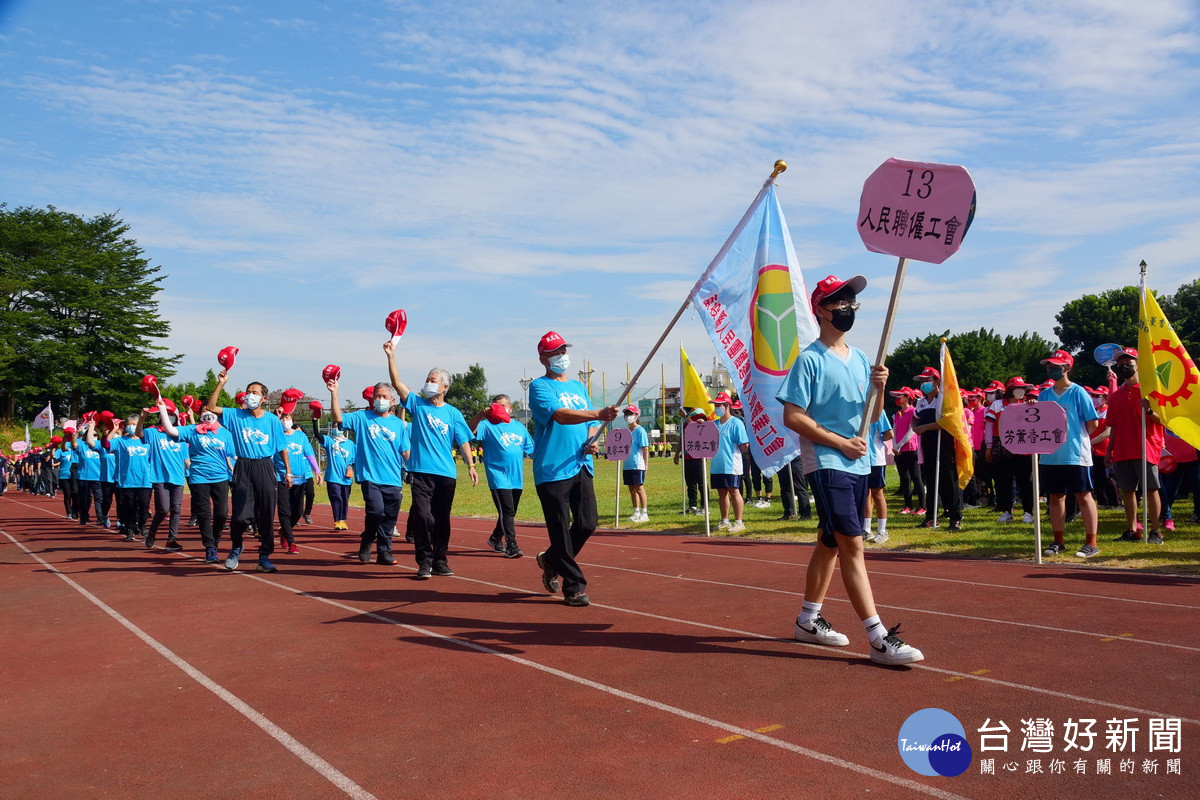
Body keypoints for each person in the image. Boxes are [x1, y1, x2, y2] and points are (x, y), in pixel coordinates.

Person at [778, 274, 922, 665]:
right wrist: (837, 442)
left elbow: (872, 416)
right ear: (820, 309)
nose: (847, 307)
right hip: (827, 462)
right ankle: (878, 639)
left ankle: (807, 620)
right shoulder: (809, 360)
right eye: (839, 301)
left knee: (829, 541)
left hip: (858, 461)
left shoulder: (859, 358)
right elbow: (793, 415)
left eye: (850, 301)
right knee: (852, 546)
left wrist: (879, 387)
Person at [528, 331, 619, 606]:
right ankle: (574, 586)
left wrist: (593, 439)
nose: (562, 356)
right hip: (553, 467)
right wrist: (598, 414)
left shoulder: (578, 387)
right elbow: (560, 415)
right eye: (556, 352)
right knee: (559, 528)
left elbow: (590, 422)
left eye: (564, 351)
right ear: (544, 358)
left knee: (587, 522)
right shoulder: (539, 387)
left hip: (581, 464)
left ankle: (551, 559)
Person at [385, 343, 476, 577]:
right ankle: (424, 561)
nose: (428, 382)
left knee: (442, 520)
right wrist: (391, 356)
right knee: (423, 517)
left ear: (445, 386)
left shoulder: (453, 413)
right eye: (428, 378)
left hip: (446, 474)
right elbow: (397, 384)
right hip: (421, 472)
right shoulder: (418, 404)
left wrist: (471, 465)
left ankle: (440, 560)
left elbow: (463, 440)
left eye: (433, 379)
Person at [206, 372, 293, 573]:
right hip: (243, 467)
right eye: (247, 392)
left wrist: (288, 471)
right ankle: (237, 546)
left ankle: (264, 557)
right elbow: (211, 408)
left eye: (254, 393)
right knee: (239, 516)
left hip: (265, 466)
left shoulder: (271, 420)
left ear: (263, 399)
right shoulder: (235, 415)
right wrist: (221, 384)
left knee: (266, 514)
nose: (249, 396)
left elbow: (282, 447)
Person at [329, 370, 411, 566]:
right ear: (372, 399)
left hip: (393, 478)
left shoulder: (398, 425)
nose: (380, 399)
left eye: (384, 396)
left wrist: (412, 468)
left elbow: (405, 450)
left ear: (392, 400)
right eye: (377, 396)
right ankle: (367, 539)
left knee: (390, 517)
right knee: (376, 512)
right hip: (370, 476)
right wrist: (334, 393)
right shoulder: (362, 417)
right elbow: (338, 417)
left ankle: (384, 552)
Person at [1035, 350, 1101, 558]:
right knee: (1056, 497)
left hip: (1076, 454)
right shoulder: (1044, 394)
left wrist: (1075, 437)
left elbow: (1093, 422)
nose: (1051, 369)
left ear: (1067, 368)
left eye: (1055, 366)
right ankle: (1058, 541)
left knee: (1083, 496)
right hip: (1050, 455)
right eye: (1049, 366)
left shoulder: (1078, 392)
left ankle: (1091, 542)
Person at [1104, 347, 1166, 543]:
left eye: (1128, 363)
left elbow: (1163, 420)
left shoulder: (1151, 391)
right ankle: (1132, 530)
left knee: (1151, 489)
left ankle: (1155, 530)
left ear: (1138, 365)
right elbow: (1112, 425)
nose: (1124, 367)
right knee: (1127, 491)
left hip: (1146, 447)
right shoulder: (1116, 395)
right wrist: (1109, 450)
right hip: (1122, 449)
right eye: (1120, 364)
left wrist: (1148, 411)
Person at [469, 395, 534, 557]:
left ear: (510, 408)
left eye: (503, 406)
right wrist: (480, 415)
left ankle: (495, 538)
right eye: (496, 406)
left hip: (516, 478)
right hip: (498, 476)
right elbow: (469, 432)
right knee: (507, 511)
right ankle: (512, 545)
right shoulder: (487, 425)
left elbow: (532, 450)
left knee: (510, 512)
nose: (500, 409)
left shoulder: (519, 427)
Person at [173, 409, 236, 563]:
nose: (208, 414)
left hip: (220, 477)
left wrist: (235, 470)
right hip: (199, 477)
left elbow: (230, 455)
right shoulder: (192, 430)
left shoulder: (225, 433)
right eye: (204, 411)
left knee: (222, 513)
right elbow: (172, 431)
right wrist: (163, 410)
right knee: (204, 513)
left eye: (210, 411)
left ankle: (215, 538)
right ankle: (210, 547)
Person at [910, 368, 964, 531]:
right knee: (931, 482)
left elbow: (948, 423)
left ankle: (955, 517)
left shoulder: (945, 399)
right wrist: (916, 427)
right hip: (927, 445)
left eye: (926, 380)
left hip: (945, 444)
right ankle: (930, 517)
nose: (923, 384)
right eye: (921, 381)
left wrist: (924, 427)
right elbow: (915, 418)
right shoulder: (921, 402)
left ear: (936, 381)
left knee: (949, 481)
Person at [137, 399, 188, 551]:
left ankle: (172, 539)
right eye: (167, 414)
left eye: (172, 414)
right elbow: (138, 433)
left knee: (176, 509)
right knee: (163, 509)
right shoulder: (153, 432)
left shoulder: (180, 435)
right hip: (160, 477)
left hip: (178, 477)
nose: (169, 417)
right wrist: (142, 418)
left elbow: (187, 459)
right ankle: (152, 531)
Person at [985, 377, 1035, 523]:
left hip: (1022, 447)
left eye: (1023, 388)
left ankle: (1028, 512)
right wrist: (989, 447)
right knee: (1003, 481)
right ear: (1010, 389)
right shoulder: (997, 404)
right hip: (1001, 446)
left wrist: (1033, 405)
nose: (1021, 391)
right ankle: (1006, 511)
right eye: (1018, 388)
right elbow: (988, 427)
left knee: (1025, 481)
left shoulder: (1026, 404)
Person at [275, 400, 320, 554]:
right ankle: (291, 540)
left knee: (297, 512)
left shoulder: (300, 436)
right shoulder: (276, 435)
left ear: (292, 420)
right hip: (280, 478)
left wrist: (317, 471)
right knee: (284, 511)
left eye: (287, 418)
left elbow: (309, 453)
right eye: (282, 418)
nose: (285, 421)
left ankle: (284, 531)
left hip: (299, 478)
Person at [108, 414, 154, 542]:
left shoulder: (147, 441)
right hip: (127, 480)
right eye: (129, 424)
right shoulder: (120, 441)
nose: (131, 426)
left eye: (134, 424)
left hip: (145, 480)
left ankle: (142, 525)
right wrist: (113, 429)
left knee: (144, 505)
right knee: (129, 506)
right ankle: (130, 528)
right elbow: (105, 444)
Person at [709, 392, 748, 532]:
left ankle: (739, 521)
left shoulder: (736, 423)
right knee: (721, 492)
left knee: (734, 491)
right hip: (717, 464)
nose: (716, 408)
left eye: (718, 405)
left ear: (726, 406)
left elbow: (744, 444)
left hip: (731, 464)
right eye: (715, 405)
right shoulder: (713, 424)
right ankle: (724, 520)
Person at [889, 387, 924, 516]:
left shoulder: (913, 411)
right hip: (899, 451)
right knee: (904, 479)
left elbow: (911, 431)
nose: (898, 399)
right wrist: (894, 446)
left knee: (916, 478)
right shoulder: (897, 414)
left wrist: (899, 445)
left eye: (900, 396)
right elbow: (894, 430)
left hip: (911, 449)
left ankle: (922, 506)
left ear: (907, 397)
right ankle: (907, 505)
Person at [1085, 387, 1119, 508]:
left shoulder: (1108, 411)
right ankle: (1103, 502)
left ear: (1105, 398)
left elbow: (1107, 432)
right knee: (1096, 477)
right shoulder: (1095, 412)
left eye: (1098, 396)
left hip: (1104, 449)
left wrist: (1092, 441)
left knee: (1108, 477)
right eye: (1094, 396)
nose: (1095, 399)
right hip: (1093, 449)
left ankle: (1115, 502)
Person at [319, 424, 356, 531]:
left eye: (339, 426)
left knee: (345, 499)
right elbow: (317, 435)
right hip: (333, 477)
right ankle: (337, 520)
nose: (336, 428)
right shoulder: (330, 441)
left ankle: (342, 520)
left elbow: (353, 459)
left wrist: (350, 467)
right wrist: (315, 420)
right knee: (336, 497)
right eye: (334, 426)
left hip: (346, 478)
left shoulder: (350, 444)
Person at [864, 412, 893, 544]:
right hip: (861, 459)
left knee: (877, 494)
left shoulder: (878, 410)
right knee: (865, 494)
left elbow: (889, 433)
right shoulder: (856, 408)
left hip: (876, 460)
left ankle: (882, 530)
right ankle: (866, 529)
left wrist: (875, 442)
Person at [675, 408, 709, 514]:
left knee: (701, 483)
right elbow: (682, 438)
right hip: (687, 457)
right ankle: (692, 505)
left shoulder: (700, 415)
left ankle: (704, 506)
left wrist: (686, 416)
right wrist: (677, 453)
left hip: (698, 457)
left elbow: (694, 429)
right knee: (690, 483)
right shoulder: (685, 422)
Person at [621, 404, 651, 522]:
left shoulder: (640, 430)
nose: (628, 416)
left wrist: (646, 464)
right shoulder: (626, 431)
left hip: (637, 464)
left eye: (631, 414)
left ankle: (644, 513)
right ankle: (636, 512)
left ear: (636, 415)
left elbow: (645, 448)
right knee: (631, 489)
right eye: (626, 414)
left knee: (639, 488)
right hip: (627, 464)